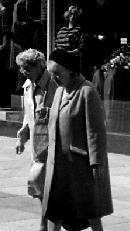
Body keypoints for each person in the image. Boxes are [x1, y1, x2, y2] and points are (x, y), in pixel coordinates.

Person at [43, 48, 113, 231]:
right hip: (58, 165)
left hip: (79, 165)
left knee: (91, 212)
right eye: (51, 74)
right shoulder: (58, 92)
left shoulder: (87, 91)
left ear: (70, 70)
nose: (53, 78)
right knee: (55, 211)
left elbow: (96, 131)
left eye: (57, 73)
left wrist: (97, 163)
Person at [15, 49, 59, 231]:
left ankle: (47, 225)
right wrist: (21, 138)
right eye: (21, 68)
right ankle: (47, 223)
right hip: (37, 143)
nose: (23, 72)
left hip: (54, 144)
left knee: (46, 187)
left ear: (39, 67)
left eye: (26, 68)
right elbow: (28, 115)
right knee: (40, 187)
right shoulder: (28, 85)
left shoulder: (55, 85)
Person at [55, 5, 85, 74]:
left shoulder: (78, 30)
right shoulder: (62, 30)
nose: (73, 17)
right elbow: (56, 44)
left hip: (71, 61)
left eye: (75, 15)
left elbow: (81, 48)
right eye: (71, 14)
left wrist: (68, 53)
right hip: (59, 60)